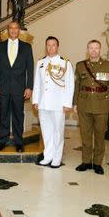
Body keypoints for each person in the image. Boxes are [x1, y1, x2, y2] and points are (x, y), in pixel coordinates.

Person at [73, 39, 109, 175]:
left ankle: (98, 163)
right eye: (91, 48)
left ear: (100, 50)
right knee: (85, 135)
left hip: (101, 106)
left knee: (99, 136)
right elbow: (77, 86)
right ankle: (86, 161)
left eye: (96, 48)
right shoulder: (80, 65)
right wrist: (75, 103)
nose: (93, 51)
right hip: (84, 105)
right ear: (87, 50)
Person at [32, 36, 74, 168]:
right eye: (48, 45)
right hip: (43, 103)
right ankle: (48, 155)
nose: (50, 48)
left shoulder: (65, 63)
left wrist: (68, 104)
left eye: (53, 45)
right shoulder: (40, 63)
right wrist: (35, 100)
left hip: (58, 104)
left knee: (58, 131)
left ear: (57, 46)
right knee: (46, 130)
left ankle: (57, 157)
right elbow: (37, 83)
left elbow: (70, 84)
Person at [0, 21, 33, 152]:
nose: (13, 30)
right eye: (11, 28)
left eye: (16, 28)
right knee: (3, 114)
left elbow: (30, 69)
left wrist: (29, 87)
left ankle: (19, 142)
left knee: (18, 115)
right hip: (3, 86)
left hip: (19, 88)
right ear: (8, 30)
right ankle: (2, 140)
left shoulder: (27, 47)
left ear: (19, 31)